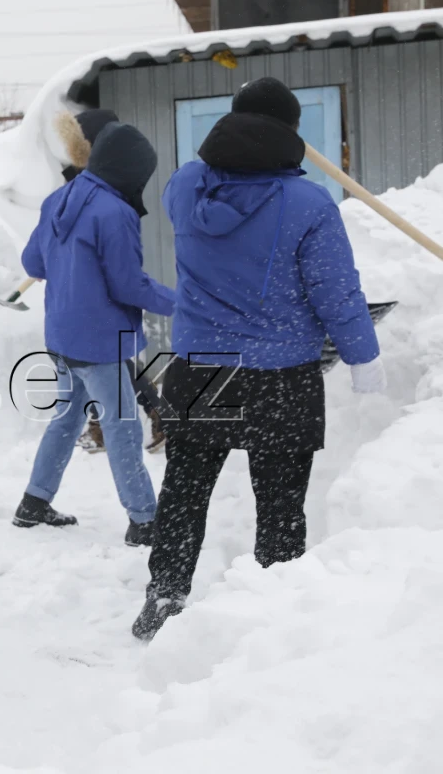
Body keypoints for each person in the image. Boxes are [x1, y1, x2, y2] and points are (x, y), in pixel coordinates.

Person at [132, 78, 386, 640]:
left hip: (202, 367)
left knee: (186, 490)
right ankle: (274, 611)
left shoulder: (184, 186)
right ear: (289, 133)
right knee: (279, 501)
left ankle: (164, 595)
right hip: (282, 374)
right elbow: (334, 291)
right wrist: (362, 355)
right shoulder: (307, 204)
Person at [12, 121, 176, 546]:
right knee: (123, 427)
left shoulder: (57, 200)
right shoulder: (115, 212)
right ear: (131, 170)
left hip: (62, 337)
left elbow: (33, 263)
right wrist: (181, 303)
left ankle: (33, 502)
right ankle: (144, 520)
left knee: (66, 418)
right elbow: (128, 285)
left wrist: (70, 268)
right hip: (100, 341)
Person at [55, 108, 168, 457]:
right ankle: (151, 413)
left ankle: (106, 425)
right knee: (104, 355)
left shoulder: (92, 179)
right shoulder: (106, 175)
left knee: (86, 354)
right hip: (95, 277)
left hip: (90, 281)